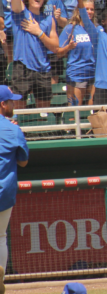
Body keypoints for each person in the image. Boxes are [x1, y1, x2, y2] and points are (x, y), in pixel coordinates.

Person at [10, 0, 60, 110]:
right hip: (22, 68)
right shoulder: (20, 12)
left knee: (43, 113)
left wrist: (38, 32)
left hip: (43, 69)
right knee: (19, 112)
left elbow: (55, 46)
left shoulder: (48, 19)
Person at [0, 85, 28, 294]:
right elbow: (23, 162)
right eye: (10, 101)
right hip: (3, 192)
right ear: (3, 104)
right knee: (0, 237)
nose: (13, 104)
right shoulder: (12, 128)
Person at [56, 0, 97, 106]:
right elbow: (58, 53)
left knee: (94, 110)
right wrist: (68, 47)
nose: (89, 11)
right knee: (75, 110)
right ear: (79, 10)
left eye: (92, 9)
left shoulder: (97, 29)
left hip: (94, 73)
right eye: (86, 9)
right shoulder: (71, 28)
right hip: (76, 74)